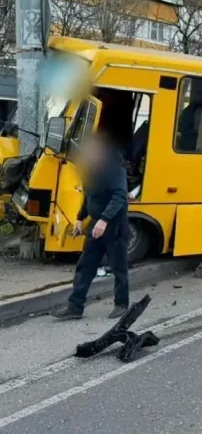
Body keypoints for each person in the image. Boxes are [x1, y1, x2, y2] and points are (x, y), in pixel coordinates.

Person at [52, 132, 130, 320]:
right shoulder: (90, 170)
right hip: (96, 224)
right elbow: (89, 196)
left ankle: (121, 304)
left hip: (115, 225)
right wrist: (80, 218)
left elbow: (120, 196)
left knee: (118, 267)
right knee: (86, 264)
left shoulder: (114, 169)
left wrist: (104, 220)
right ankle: (75, 306)